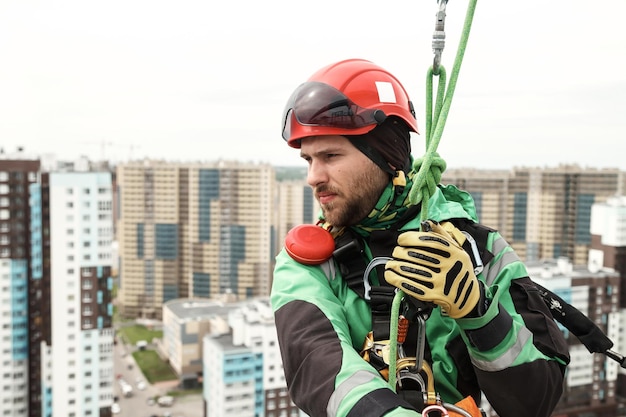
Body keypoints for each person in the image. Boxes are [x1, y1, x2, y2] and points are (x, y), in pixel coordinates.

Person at [270, 58, 570, 417]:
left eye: (330, 156)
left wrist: (480, 314)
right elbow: (318, 366)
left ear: (385, 157)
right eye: (308, 160)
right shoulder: (309, 260)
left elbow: (537, 401)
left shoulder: (481, 252)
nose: (313, 177)